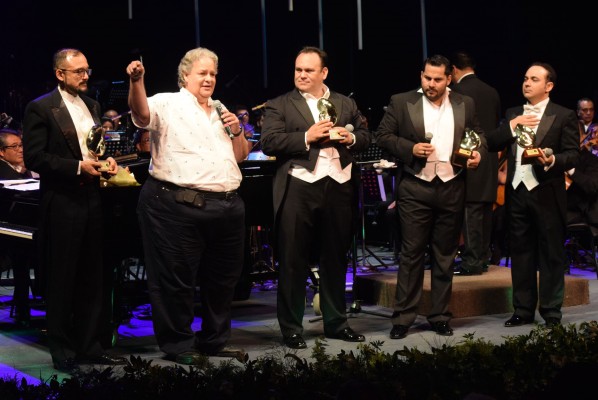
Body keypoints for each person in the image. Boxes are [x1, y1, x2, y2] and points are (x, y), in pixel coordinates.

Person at [126, 47, 250, 365]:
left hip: (226, 206)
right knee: (175, 280)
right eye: (202, 73)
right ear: (185, 75)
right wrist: (137, 81)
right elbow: (141, 115)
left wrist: (237, 130)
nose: (209, 79)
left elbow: (240, 155)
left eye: (213, 74)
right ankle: (178, 344)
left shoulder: (221, 109)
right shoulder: (167, 102)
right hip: (177, 206)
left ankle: (214, 340)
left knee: (223, 280)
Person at [22, 48, 125, 372]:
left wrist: (105, 160)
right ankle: (62, 349)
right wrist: (78, 167)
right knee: (63, 277)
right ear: (60, 74)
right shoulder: (41, 107)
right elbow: (35, 157)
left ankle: (90, 346)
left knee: (93, 276)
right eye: (78, 71)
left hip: (93, 199)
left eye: (87, 70)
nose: (85, 76)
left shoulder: (92, 105)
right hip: (63, 201)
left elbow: (93, 147)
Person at [260, 46, 370, 349]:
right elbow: (269, 141)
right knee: (293, 260)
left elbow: (365, 135)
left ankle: (336, 323)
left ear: (324, 73)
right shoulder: (280, 104)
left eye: (309, 70)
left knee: (335, 258)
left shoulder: (345, 102)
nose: (302, 75)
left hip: (339, 185)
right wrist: (307, 137)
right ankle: (291, 328)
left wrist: (352, 137)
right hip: (300, 186)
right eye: (298, 69)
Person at [375, 54, 484, 339]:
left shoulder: (465, 103)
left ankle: (439, 316)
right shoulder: (402, 101)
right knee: (411, 254)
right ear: (421, 75)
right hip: (415, 186)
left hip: (452, 185)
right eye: (426, 78)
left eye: (437, 79)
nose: (430, 84)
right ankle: (403, 318)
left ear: (449, 79)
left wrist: (476, 154)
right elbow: (383, 136)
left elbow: (478, 135)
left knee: (445, 255)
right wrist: (410, 148)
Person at [485, 62, 579, 328]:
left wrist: (552, 159)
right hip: (517, 191)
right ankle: (523, 309)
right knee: (521, 252)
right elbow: (492, 142)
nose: (527, 83)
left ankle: (551, 310)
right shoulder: (514, 112)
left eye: (534, 79)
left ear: (548, 86)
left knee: (551, 253)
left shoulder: (563, 115)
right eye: (525, 78)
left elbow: (573, 154)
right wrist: (512, 125)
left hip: (547, 191)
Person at [450, 51, 502, 275]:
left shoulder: (457, 92)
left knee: (470, 209)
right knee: (484, 210)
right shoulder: (492, 91)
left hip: (468, 157)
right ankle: (482, 258)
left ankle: (471, 261)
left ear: (453, 70)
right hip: (489, 158)